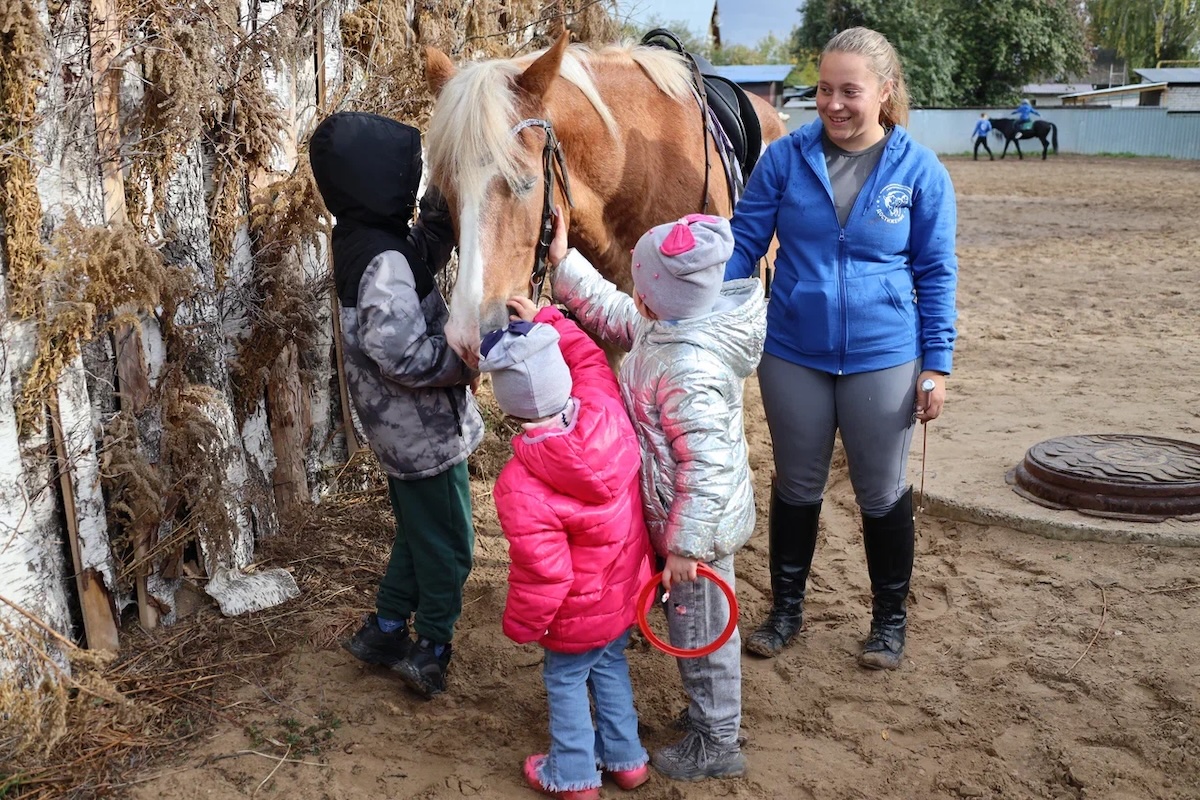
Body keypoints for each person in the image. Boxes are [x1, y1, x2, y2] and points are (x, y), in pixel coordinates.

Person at [724, 27, 958, 671]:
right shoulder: (785, 158)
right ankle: (787, 610)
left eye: (849, 91)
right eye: (823, 89)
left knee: (881, 491)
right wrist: (695, 304)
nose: (832, 104)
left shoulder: (920, 172)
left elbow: (936, 272)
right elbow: (744, 245)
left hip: (885, 356)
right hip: (794, 349)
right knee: (797, 483)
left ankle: (889, 621)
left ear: (884, 93)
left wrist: (936, 366)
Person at [547, 211, 766, 781]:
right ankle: (709, 719)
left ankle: (717, 739)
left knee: (702, 633)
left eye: (639, 288)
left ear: (657, 297)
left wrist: (686, 548)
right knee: (691, 627)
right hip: (677, 520)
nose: (633, 299)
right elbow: (612, 311)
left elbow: (709, 468)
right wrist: (563, 264)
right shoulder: (668, 324)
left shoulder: (689, 367)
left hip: (696, 533)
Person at [309, 111, 483, 698]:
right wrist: (464, 360)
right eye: (408, 177)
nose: (411, 185)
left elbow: (418, 254)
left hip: (404, 434)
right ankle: (431, 646)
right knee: (451, 544)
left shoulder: (365, 236)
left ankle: (385, 628)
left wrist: (444, 200)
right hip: (422, 433)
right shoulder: (382, 264)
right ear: (379, 183)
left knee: (418, 534)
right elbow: (403, 354)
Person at [480, 297, 653, 800]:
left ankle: (574, 775)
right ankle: (626, 759)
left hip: (575, 616)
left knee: (566, 679)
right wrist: (549, 319)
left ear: (508, 407)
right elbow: (592, 361)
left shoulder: (520, 483)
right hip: (622, 594)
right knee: (610, 665)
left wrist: (523, 625)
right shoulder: (605, 408)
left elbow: (544, 573)